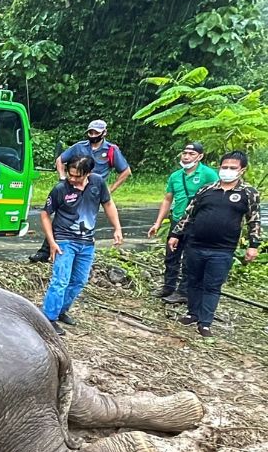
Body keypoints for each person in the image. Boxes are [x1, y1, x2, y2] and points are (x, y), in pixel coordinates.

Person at [168, 150, 262, 338]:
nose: (227, 170)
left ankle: (205, 322)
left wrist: (254, 245)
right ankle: (192, 313)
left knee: (212, 285)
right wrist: (176, 234)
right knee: (193, 281)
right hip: (196, 244)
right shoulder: (206, 190)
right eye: (224, 167)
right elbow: (189, 214)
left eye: (232, 168)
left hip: (222, 249)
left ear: (242, 170)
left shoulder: (248, 193)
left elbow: (254, 220)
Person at [40, 154, 124, 334]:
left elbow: (108, 205)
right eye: (70, 174)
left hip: (87, 241)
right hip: (64, 240)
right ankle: (48, 318)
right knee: (60, 280)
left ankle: (61, 310)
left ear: (88, 173)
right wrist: (52, 242)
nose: (72, 178)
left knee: (79, 281)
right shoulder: (60, 189)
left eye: (77, 176)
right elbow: (45, 214)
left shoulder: (97, 183)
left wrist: (117, 228)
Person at [30, 119, 130, 262]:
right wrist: (63, 177)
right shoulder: (79, 147)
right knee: (62, 218)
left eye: (96, 132)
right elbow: (60, 160)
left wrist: (109, 189)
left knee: (85, 219)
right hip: (72, 187)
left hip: (93, 190)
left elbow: (126, 171)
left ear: (104, 133)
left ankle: (80, 254)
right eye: (90, 132)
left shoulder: (111, 150)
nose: (93, 134)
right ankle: (47, 250)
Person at [147, 142, 218, 304]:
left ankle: (184, 291)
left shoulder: (208, 174)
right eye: (184, 153)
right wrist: (157, 223)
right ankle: (168, 286)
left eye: (191, 154)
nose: (186, 157)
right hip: (177, 220)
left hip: (197, 224)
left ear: (200, 156)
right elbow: (167, 199)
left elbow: (216, 197)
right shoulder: (175, 176)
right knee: (171, 255)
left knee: (190, 258)